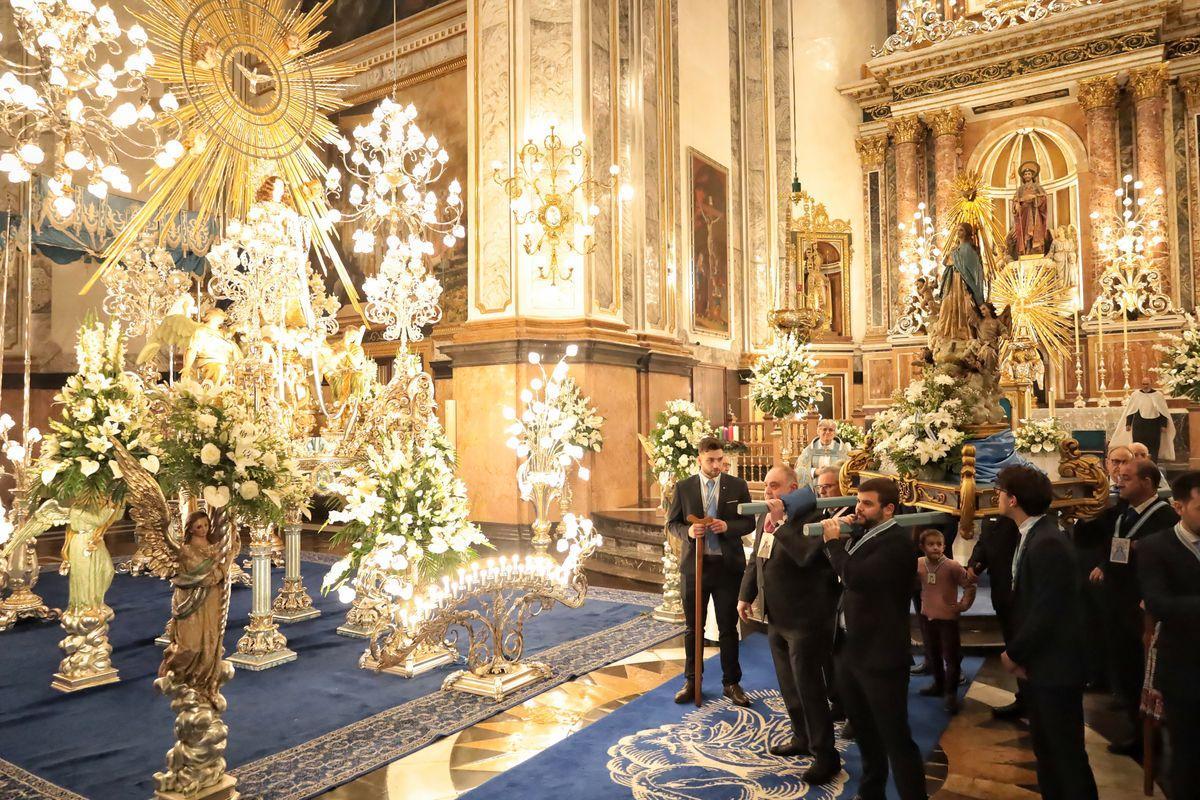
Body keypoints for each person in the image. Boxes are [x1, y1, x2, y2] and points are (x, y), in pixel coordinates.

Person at [818, 478, 927, 800]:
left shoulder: (896, 542)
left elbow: (855, 577)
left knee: (896, 737)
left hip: (882, 656)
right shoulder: (869, 535)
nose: (858, 508)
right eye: (858, 501)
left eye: (867, 503)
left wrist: (833, 542)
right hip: (852, 649)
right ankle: (871, 791)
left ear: (889, 508)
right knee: (865, 732)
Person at [997, 465, 1098, 800]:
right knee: (1047, 749)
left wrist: (1015, 652)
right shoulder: (1036, 533)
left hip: (1057, 666)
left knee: (1064, 753)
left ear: (1012, 499)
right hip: (1045, 664)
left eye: (999, 491)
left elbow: (1048, 609)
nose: (996, 496)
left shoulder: (1048, 542)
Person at [738, 465, 840, 783]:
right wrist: (746, 596)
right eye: (766, 487)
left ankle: (826, 755)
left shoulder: (811, 515)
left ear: (793, 487)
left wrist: (780, 522)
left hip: (807, 617)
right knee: (788, 685)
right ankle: (801, 737)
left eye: (775, 486)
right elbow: (757, 557)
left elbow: (804, 555)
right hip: (776, 616)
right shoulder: (764, 515)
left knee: (810, 688)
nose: (769, 492)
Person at [1087, 459, 1177, 756]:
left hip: (1140, 607)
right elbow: (1113, 545)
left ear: (1148, 483)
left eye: (1126, 478)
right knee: (1124, 672)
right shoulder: (1123, 513)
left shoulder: (1164, 517)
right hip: (1116, 602)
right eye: (1118, 477)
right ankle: (1134, 730)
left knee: (1140, 674)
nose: (1119, 482)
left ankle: (1149, 739)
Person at [666, 436, 754, 706]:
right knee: (694, 627)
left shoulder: (737, 485)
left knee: (728, 627)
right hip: (695, 568)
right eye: (710, 460)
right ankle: (693, 680)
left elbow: (749, 521)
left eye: (720, 460)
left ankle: (731, 682)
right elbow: (673, 524)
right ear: (699, 460)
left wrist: (728, 527)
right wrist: (689, 531)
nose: (717, 465)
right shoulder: (684, 487)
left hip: (727, 567)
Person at [1137, 471, 1200, 800]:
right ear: (1179, 506)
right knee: (1188, 756)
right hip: (1184, 668)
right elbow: (1159, 603)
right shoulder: (1155, 547)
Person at [160, 510, 239, 704]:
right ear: (190, 529)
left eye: (206, 525)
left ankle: (203, 684)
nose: (203, 530)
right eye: (198, 527)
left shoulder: (213, 547)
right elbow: (208, 577)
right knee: (190, 646)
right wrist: (226, 562)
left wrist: (232, 525)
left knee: (210, 642)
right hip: (191, 602)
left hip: (211, 599)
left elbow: (231, 547)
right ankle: (174, 671)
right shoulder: (186, 551)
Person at [967, 515, 1023, 718]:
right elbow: (985, 542)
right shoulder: (991, 517)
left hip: (1020, 592)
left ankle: (1034, 701)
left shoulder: (1026, 522)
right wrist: (975, 563)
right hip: (1001, 589)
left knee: (1022, 646)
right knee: (1011, 639)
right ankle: (1024, 698)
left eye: (999, 491)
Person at [916, 529, 976, 714]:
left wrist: (963, 605)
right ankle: (938, 685)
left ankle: (951, 693)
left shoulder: (952, 566)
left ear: (944, 546)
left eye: (939, 544)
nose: (935, 547)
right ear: (922, 547)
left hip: (948, 619)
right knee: (932, 653)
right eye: (931, 544)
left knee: (951, 656)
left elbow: (969, 585)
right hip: (928, 616)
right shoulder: (918, 564)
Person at [933, 221, 986, 342]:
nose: (958, 232)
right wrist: (951, 255)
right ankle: (950, 332)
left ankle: (964, 333)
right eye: (957, 230)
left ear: (967, 232)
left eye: (961, 230)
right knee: (948, 305)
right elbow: (946, 262)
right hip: (952, 282)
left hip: (963, 283)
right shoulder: (955, 249)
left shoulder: (969, 249)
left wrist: (954, 258)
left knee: (964, 306)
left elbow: (974, 270)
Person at [1111, 378, 1175, 463]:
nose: (1145, 386)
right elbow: (1130, 410)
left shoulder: (1158, 395)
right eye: (1143, 384)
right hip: (1139, 424)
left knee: (1153, 447)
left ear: (1151, 384)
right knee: (1137, 446)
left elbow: (1163, 411)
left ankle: (1152, 464)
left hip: (1154, 424)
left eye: (1147, 384)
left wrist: (1164, 425)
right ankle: (1137, 463)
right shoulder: (1136, 394)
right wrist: (1128, 423)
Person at [795, 420, 851, 488]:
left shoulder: (842, 450)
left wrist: (832, 471)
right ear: (818, 431)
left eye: (830, 430)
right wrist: (816, 471)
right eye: (824, 429)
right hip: (814, 488)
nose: (827, 432)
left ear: (834, 433)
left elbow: (847, 469)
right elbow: (800, 470)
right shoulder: (809, 450)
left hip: (835, 487)